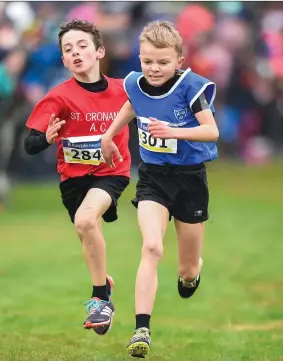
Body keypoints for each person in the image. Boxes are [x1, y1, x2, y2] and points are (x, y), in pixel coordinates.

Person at [101, 20, 219, 357]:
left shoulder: (190, 88)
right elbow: (131, 106)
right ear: (140, 58)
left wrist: (174, 132)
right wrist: (109, 135)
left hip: (191, 180)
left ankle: (191, 275)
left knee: (188, 266)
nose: (154, 68)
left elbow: (212, 132)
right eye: (148, 61)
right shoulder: (134, 84)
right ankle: (141, 329)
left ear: (178, 62)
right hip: (153, 177)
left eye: (163, 62)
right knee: (151, 247)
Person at [24, 19, 131, 336]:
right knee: (87, 234)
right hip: (73, 181)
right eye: (68, 49)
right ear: (63, 60)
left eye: (82, 46)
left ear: (99, 52)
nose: (76, 52)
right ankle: (104, 284)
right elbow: (29, 144)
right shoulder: (58, 97)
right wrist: (46, 138)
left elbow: (160, 94)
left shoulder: (124, 89)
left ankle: (99, 299)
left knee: (85, 222)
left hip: (111, 172)